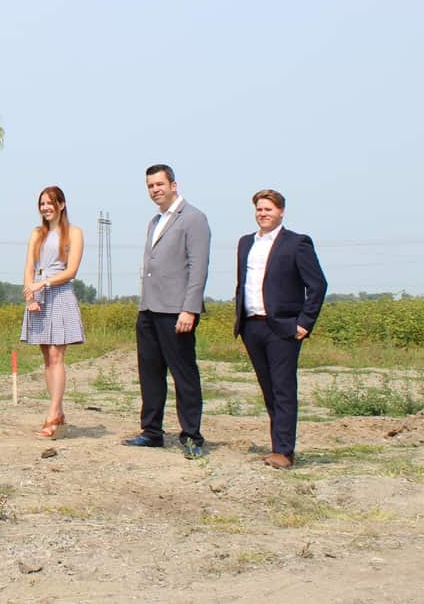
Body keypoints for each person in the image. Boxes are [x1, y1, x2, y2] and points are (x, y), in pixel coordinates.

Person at [234, 189, 327, 469]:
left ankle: (284, 451)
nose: (263, 214)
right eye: (259, 209)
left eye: (269, 209)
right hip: (252, 325)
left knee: (283, 388)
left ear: (281, 212)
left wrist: (304, 323)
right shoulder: (245, 242)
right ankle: (279, 444)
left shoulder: (297, 243)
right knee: (268, 388)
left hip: (282, 328)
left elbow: (318, 285)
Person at [126, 164, 211, 459]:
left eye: (159, 184)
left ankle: (191, 436)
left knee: (184, 374)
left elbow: (198, 267)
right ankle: (151, 431)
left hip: (176, 311)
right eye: (150, 186)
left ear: (174, 185)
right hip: (149, 308)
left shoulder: (193, 218)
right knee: (150, 373)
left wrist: (190, 309)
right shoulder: (155, 221)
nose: (155, 190)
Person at [20, 186, 85, 439]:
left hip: (60, 294)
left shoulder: (74, 233)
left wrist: (44, 284)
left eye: (50, 203)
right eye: (42, 204)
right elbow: (29, 266)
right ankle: (58, 410)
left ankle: (52, 414)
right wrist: (30, 295)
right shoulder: (37, 233)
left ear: (61, 205)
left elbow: (71, 271)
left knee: (57, 355)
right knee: (47, 357)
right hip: (38, 295)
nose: (45, 208)